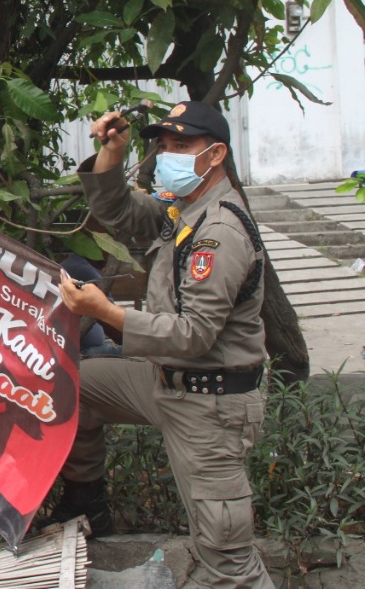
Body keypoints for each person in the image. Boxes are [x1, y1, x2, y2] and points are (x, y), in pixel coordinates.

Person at [54, 101, 272, 588]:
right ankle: (87, 506)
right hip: (164, 379)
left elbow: (195, 333)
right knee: (74, 385)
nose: (168, 155)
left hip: (210, 400)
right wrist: (113, 151)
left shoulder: (220, 231)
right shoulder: (184, 210)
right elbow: (116, 209)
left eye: (182, 146)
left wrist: (107, 313)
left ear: (215, 155)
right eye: (165, 145)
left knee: (228, 563)